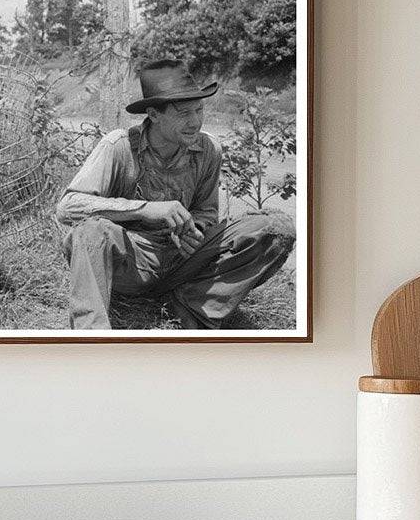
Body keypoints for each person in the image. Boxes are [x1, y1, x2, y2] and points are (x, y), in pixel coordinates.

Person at [56, 60, 296, 329]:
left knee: (276, 228)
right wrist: (145, 209)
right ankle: (93, 336)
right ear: (154, 115)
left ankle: (192, 306)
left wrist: (195, 230)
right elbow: (68, 206)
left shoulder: (208, 150)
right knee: (89, 232)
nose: (195, 122)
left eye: (199, 110)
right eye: (183, 113)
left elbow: (207, 211)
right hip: (130, 264)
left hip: (184, 263)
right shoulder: (119, 146)